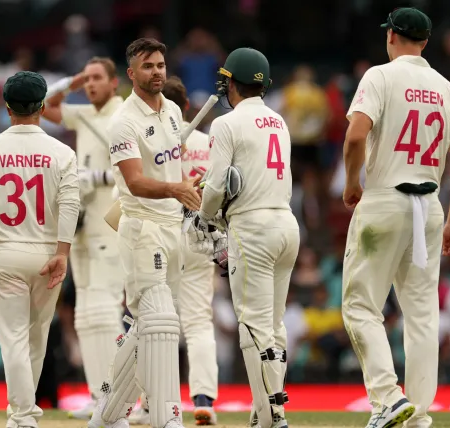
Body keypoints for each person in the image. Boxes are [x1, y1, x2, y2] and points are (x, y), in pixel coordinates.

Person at [341, 8, 450, 428]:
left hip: (384, 199)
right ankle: (418, 412)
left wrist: (351, 183)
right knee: (421, 313)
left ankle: (387, 396)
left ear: (392, 36)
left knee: (361, 305)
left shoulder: (380, 76)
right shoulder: (447, 89)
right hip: (430, 207)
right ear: (427, 42)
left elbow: (355, 136)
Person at [0, 71, 80, 428]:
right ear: (41, 107)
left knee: (15, 341)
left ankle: (22, 415)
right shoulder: (62, 152)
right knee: (37, 339)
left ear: (7, 108)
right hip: (46, 252)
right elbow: (70, 205)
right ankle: (24, 414)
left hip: (5, 252)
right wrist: (64, 253)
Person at [88, 38, 201, 428]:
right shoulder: (123, 121)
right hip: (142, 228)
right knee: (162, 325)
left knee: (145, 328)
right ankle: (168, 417)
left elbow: (173, 170)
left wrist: (187, 189)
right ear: (131, 74)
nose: (157, 71)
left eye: (160, 64)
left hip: (173, 226)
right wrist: (176, 189)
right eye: (148, 66)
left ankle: (107, 412)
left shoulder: (171, 111)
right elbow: (135, 182)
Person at [194, 47, 298, 428]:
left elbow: (219, 183)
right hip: (287, 225)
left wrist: (204, 219)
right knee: (273, 325)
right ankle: (264, 412)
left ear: (229, 83)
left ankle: (273, 416)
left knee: (253, 328)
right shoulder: (279, 122)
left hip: (253, 229)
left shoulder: (226, 124)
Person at [41, 56, 125, 420]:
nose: (90, 85)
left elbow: (139, 169)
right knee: (85, 316)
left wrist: (99, 177)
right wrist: (71, 81)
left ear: (114, 82)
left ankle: (116, 396)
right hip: (83, 225)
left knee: (107, 312)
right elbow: (44, 106)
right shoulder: (86, 114)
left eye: (96, 78)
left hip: (112, 223)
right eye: (87, 79)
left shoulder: (124, 117)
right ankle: (97, 394)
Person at [161, 76, 219, 426]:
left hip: (161, 236)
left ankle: (151, 402)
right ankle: (204, 400)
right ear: (184, 107)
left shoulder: (151, 143)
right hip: (199, 234)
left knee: (153, 323)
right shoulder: (208, 142)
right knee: (198, 323)